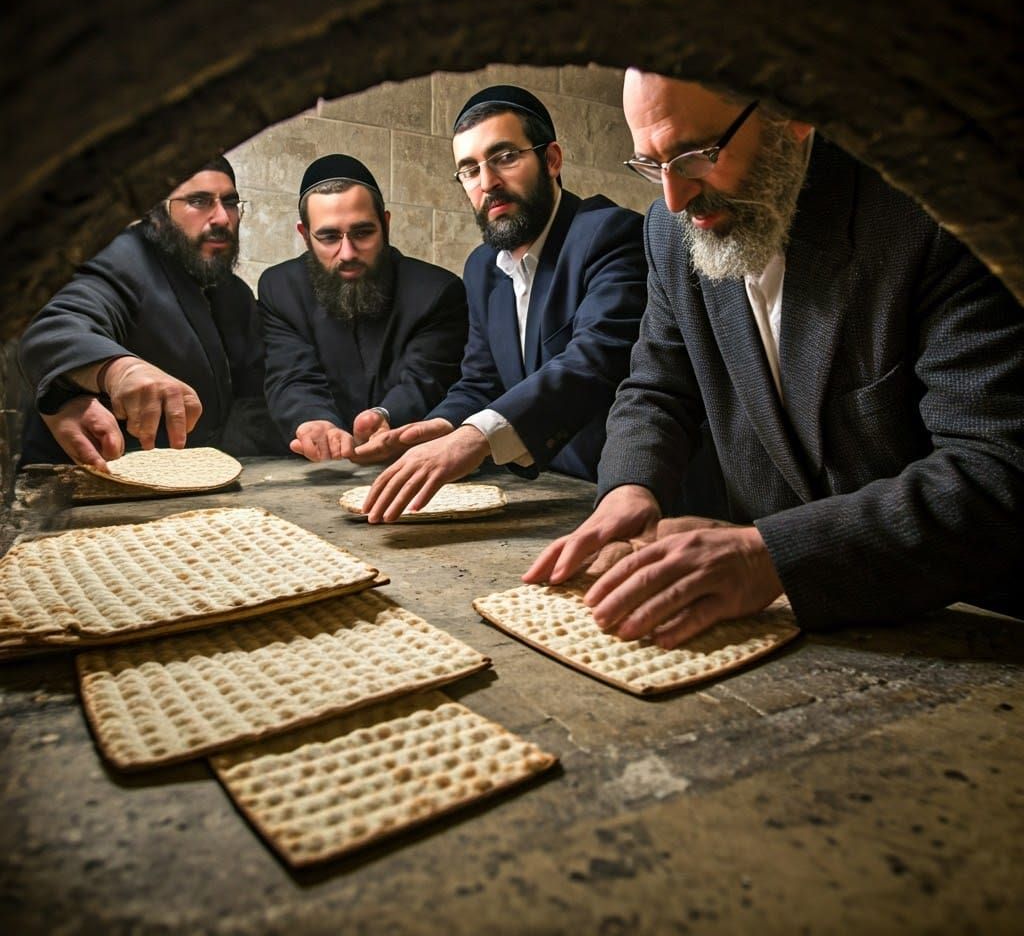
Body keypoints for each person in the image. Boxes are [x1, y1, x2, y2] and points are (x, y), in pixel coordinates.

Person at [526, 69, 1024, 644]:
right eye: (650, 163)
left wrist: (772, 557)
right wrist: (629, 489)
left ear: (793, 113)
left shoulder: (934, 214)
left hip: (967, 623)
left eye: (694, 155)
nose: (673, 196)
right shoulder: (669, 231)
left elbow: (997, 469)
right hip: (778, 626)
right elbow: (658, 388)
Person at [359, 84, 648, 522]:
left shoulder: (611, 234)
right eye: (469, 170)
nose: (487, 183)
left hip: (619, 494)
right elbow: (480, 382)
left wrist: (472, 438)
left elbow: (594, 360)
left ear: (551, 160)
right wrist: (439, 428)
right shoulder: (481, 268)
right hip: (544, 499)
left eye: (505, 157)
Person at [18, 156, 284, 469]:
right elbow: (55, 329)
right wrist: (120, 371)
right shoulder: (122, 259)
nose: (222, 218)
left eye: (230, 202)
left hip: (194, 482)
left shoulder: (233, 293)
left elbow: (253, 393)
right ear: (157, 215)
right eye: (199, 201)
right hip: (93, 486)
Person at [257, 154, 468, 462]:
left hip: (411, 461)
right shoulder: (280, 288)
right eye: (329, 237)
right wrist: (314, 420)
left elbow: (425, 378)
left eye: (362, 233)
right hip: (316, 468)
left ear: (385, 224)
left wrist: (386, 415)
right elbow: (290, 374)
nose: (347, 253)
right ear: (305, 235)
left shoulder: (437, 291)